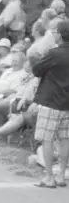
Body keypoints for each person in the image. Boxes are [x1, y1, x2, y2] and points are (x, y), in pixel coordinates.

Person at [32, 20, 69, 188]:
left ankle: (49, 177)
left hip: (50, 101)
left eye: (54, 32)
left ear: (60, 35)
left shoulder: (54, 53)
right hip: (66, 103)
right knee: (64, 139)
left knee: (47, 140)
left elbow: (36, 70)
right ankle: (61, 175)